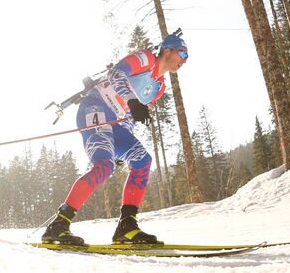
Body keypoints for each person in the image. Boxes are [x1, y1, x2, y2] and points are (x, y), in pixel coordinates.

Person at [42, 31, 189, 245]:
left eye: (187, 58)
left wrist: (125, 140)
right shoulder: (146, 58)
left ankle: (126, 227)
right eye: (182, 53)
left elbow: (131, 114)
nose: (184, 61)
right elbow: (117, 74)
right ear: (167, 50)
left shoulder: (159, 87)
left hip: (114, 121)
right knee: (103, 166)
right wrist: (132, 101)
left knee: (142, 160)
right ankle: (59, 225)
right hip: (95, 106)